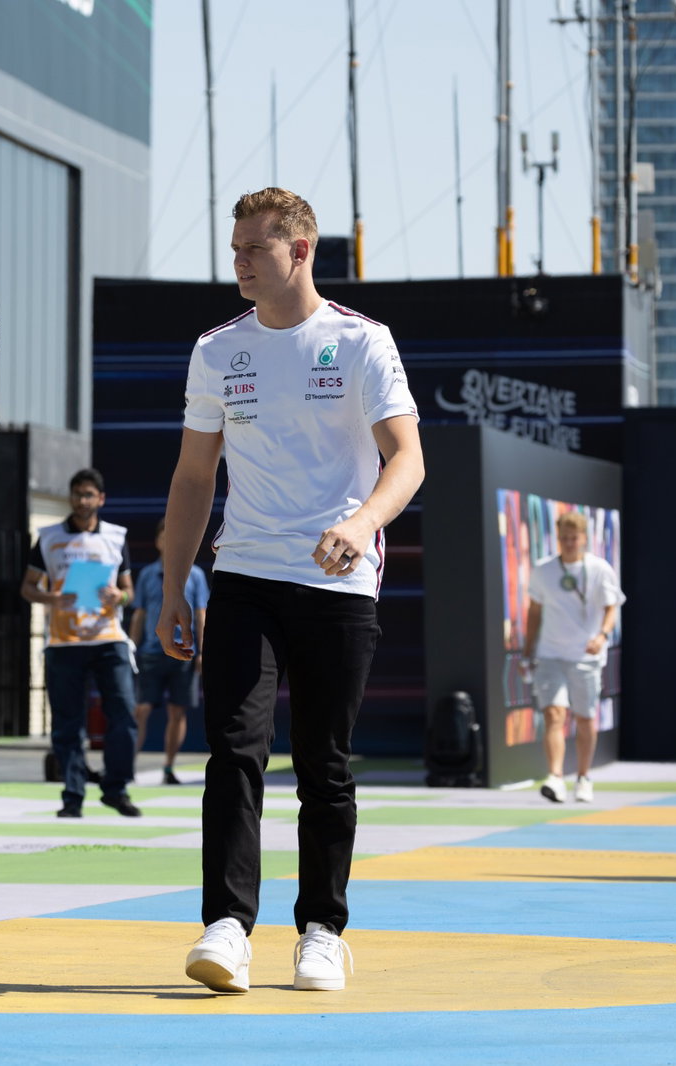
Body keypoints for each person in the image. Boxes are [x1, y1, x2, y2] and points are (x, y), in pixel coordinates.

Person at [153, 188, 423, 994]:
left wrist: (363, 522)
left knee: (324, 765)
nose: (237, 261)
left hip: (340, 583)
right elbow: (194, 476)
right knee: (233, 750)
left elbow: (406, 459)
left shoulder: (362, 341)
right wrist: (174, 585)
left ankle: (321, 931)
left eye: (253, 249)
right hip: (244, 577)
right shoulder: (215, 350)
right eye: (233, 247)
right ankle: (228, 926)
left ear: (299, 251)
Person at [21, 468, 142, 818]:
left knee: (123, 714)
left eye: (89, 495)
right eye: (77, 494)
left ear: (100, 499)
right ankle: (72, 796)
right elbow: (27, 587)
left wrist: (118, 596)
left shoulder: (117, 537)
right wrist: (51, 599)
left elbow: (128, 592)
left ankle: (116, 788)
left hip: (108, 638)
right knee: (67, 723)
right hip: (64, 641)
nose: (82, 501)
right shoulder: (49, 537)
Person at [522, 510, 626, 803]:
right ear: (558, 538)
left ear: (584, 539)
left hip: (586, 656)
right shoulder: (543, 570)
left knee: (584, 718)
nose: (569, 543)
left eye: (574, 538)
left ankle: (583, 776)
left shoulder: (599, 569)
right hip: (550, 653)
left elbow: (611, 606)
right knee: (554, 714)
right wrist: (528, 653)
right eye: (564, 538)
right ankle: (555, 777)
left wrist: (602, 635)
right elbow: (534, 612)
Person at [128, 515, 209, 785]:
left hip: (184, 652)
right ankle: (127, 765)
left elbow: (200, 614)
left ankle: (168, 767)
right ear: (158, 541)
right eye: (165, 535)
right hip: (152, 651)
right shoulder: (148, 575)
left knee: (178, 711)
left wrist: (202, 651)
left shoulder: (195, 575)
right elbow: (139, 613)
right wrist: (131, 646)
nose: (170, 540)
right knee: (141, 709)